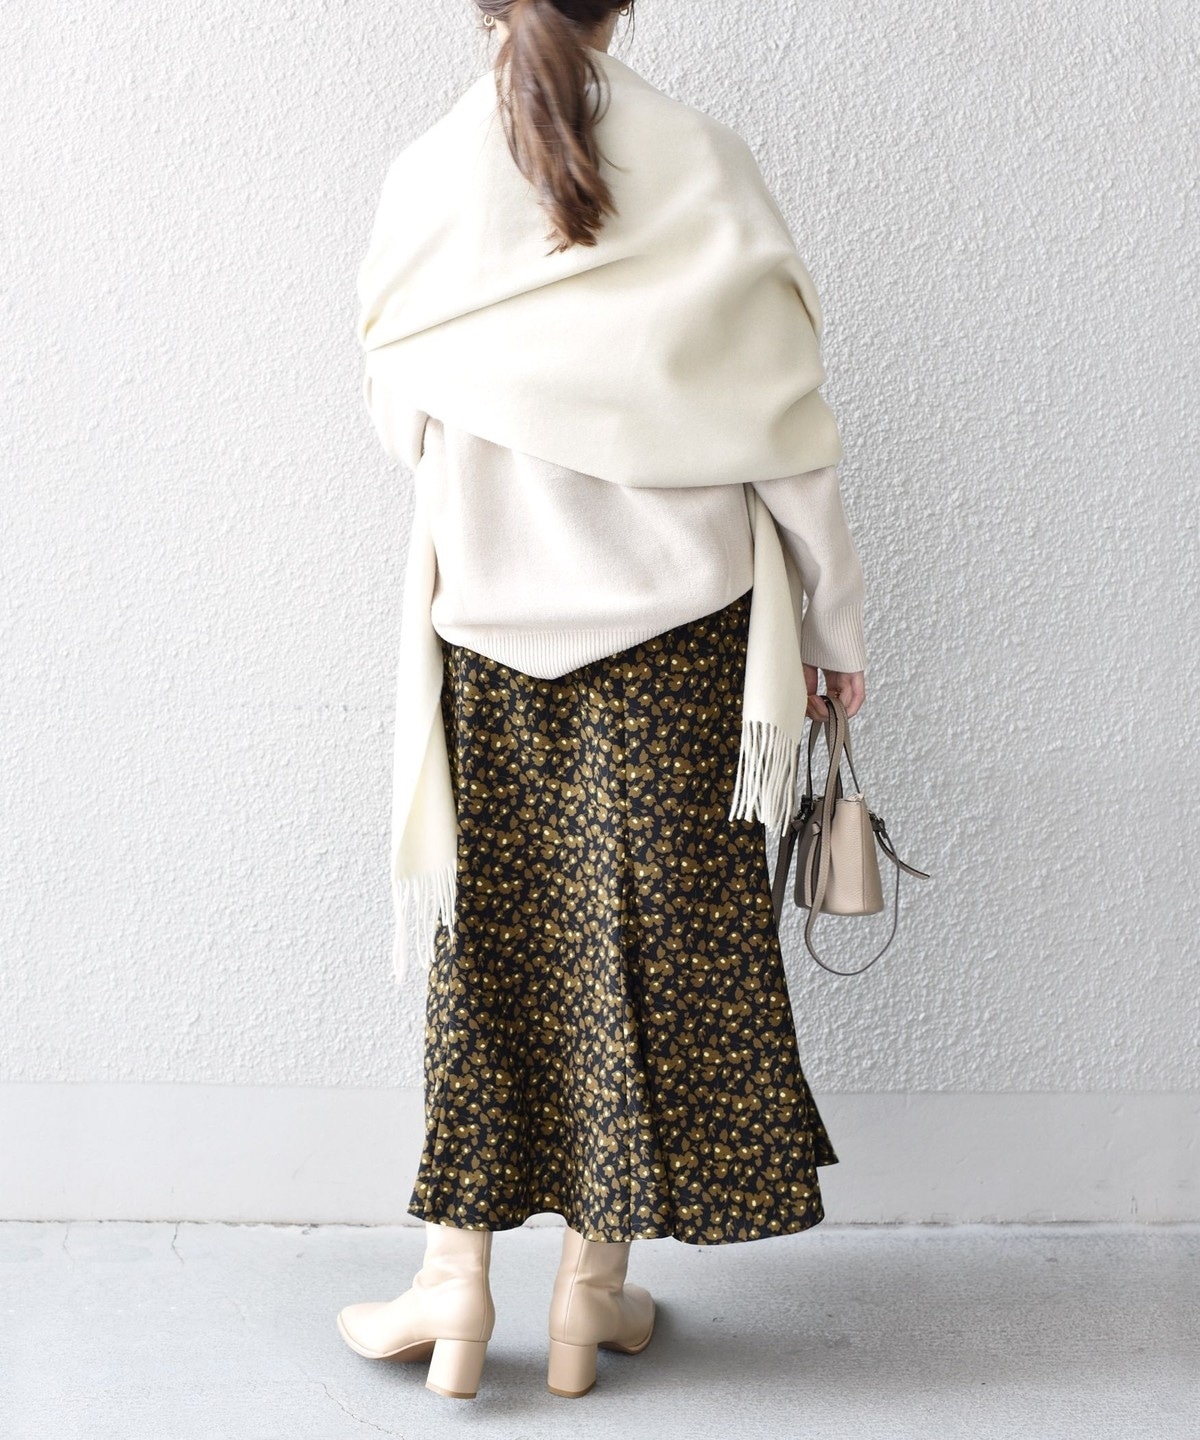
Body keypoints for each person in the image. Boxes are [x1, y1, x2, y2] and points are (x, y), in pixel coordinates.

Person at [336, 0, 868, 1402]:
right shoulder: (704, 160)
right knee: (650, 944)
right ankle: (589, 1294)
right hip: (685, 637)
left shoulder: (429, 176)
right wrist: (833, 624)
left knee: (492, 944)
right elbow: (789, 429)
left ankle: (455, 1282)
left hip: (491, 629)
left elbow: (402, 421)